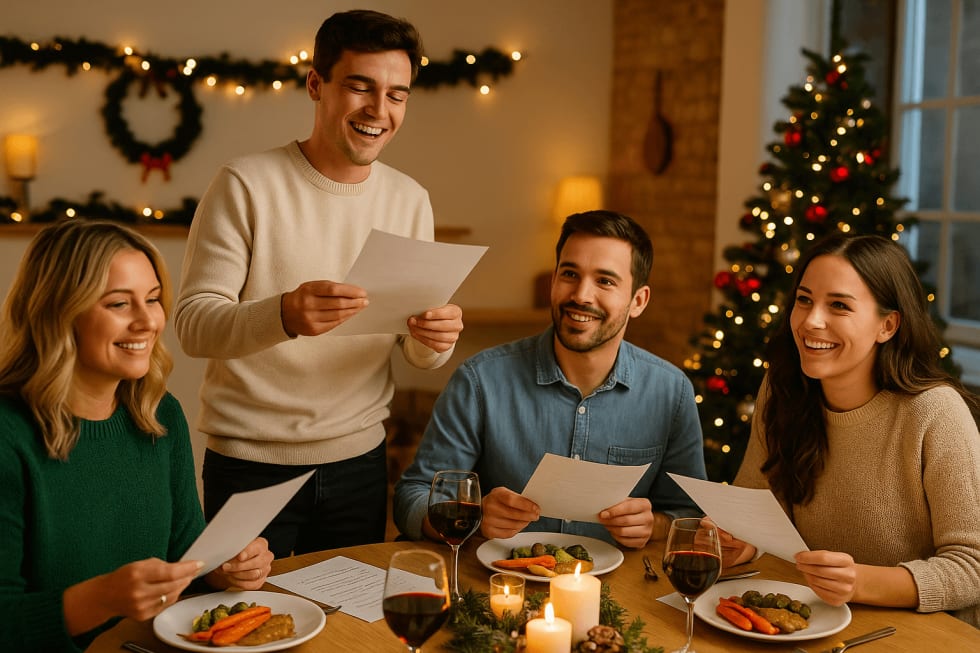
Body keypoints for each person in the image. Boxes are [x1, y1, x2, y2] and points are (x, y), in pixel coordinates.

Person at [174, 9, 463, 559]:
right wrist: (282, 314)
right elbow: (193, 326)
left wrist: (435, 339)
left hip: (359, 463)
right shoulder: (245, 184)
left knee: (346, 631)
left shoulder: (410, 200)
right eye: (361, 87)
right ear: (316, 84)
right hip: (250, 464)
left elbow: (416, 352)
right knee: (248, 629)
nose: (380, 110)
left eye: (397, 94)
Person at [0, 219, 273, 652]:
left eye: (152, 299)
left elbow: (186, 547)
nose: (148, 322)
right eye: (119, 304)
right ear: (59, 312)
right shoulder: (8, 435)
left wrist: (224, 568)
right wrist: (102, 598)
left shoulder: (161, 415)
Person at [393, 210, 706, 548]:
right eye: (570, 274)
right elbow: (411, 498)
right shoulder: (480, 380)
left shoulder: (671, 392)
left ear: (638, 301)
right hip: (496, 587)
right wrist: (473, 516)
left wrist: (654, 525)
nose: (581, 295)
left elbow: (688, 515)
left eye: (605, 281)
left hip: (618, 593)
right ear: (554, 279)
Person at [724, 232, 980, 628]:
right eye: (804, 300)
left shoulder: (935, 413)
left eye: (839, 305)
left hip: (924, 634)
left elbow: (972, 569)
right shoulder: (782, 388)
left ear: (888, 326)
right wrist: (740, 540)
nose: (811, 321)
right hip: (813, 623)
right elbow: (757, 508)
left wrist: (861, 582)